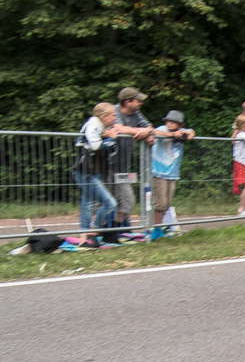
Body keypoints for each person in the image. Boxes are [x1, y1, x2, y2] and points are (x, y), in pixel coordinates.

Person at [72, 102, 121, 247]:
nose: (115, 118)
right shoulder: (93, 124)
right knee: (111, 203)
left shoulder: (102, 126)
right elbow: (95, 145)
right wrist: (111, 138)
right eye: (113, 115)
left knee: (87, 204)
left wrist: (108, 136)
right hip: (86, 172)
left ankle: (84, 238)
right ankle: (94, 230)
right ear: (104, 116)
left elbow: (113, 150)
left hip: (96, 171)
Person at [110, 87, 154, 229]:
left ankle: (114, 230)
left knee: (128, 201)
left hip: (123, 167)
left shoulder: (137, 113)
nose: (141, 102)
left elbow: (149, 127)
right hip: (106, 166)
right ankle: (95, 233)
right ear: (128, 102)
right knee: (104, 202)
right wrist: (139, 131)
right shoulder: (113, 111)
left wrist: (148, 132)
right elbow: (119, 129)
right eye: (138, 100)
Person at [150, 110, 195, 233]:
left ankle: (163, 228)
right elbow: (155, 132)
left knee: (167, 203)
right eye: (168, 121)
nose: (170, 123)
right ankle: (156, 229)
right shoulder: (162, 129)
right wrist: (172, 135)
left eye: (173, 122)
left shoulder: (181, 131)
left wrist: (187, 134)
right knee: (160, 203)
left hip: (172, 173)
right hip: (159, 173)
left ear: (179, 124)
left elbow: (191, 132)